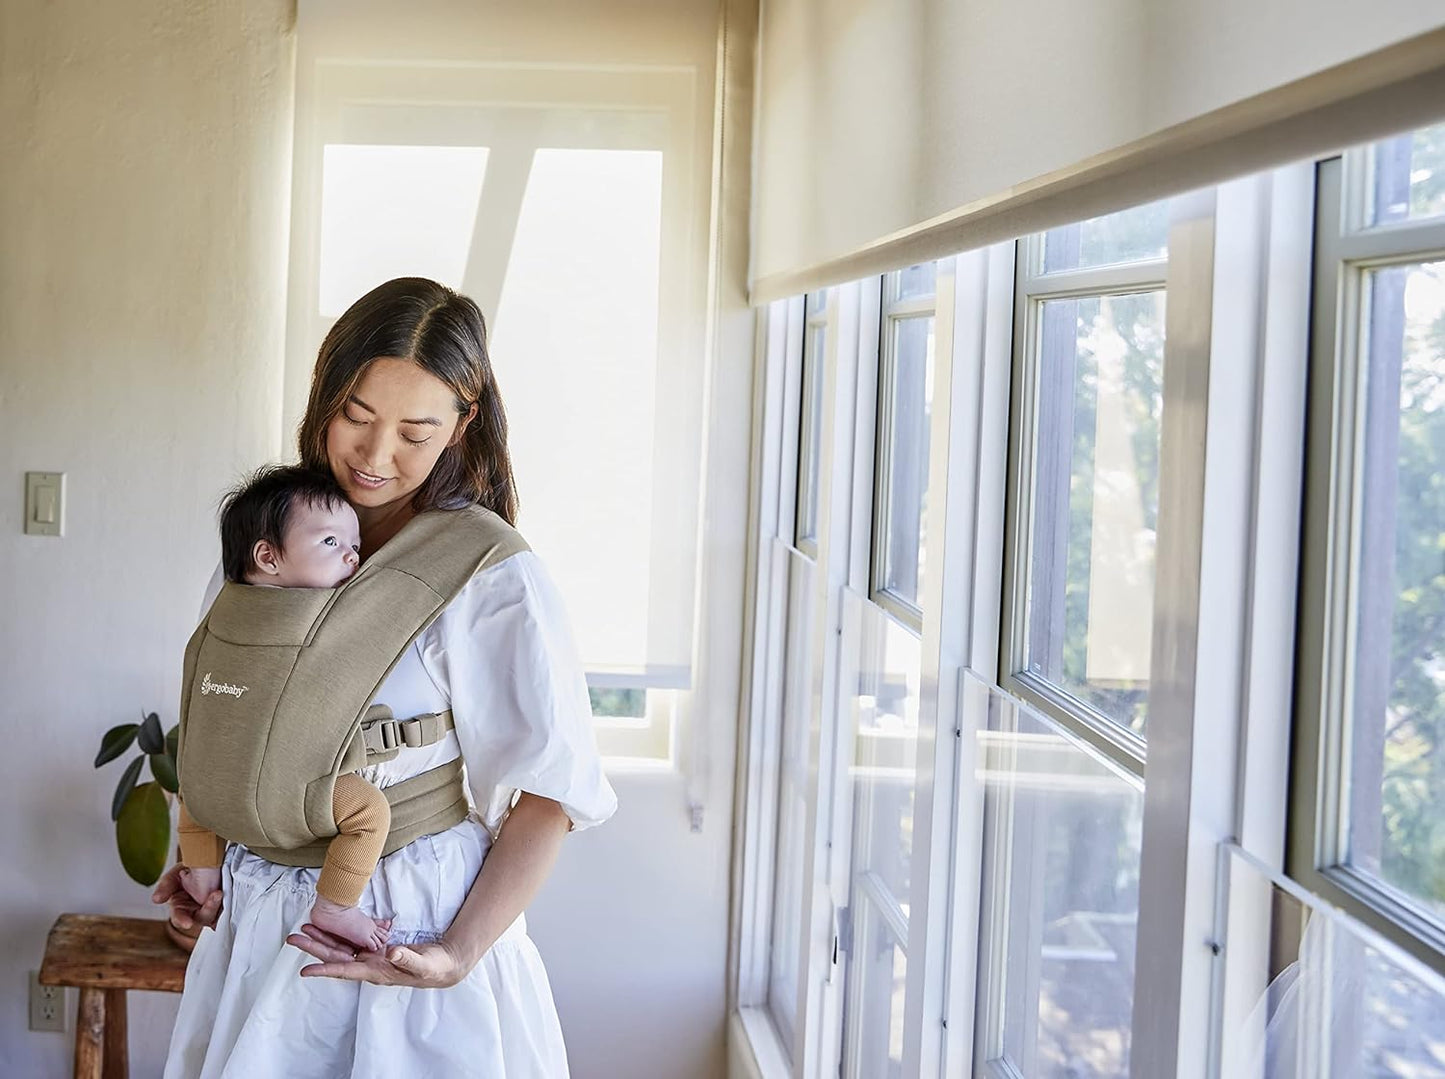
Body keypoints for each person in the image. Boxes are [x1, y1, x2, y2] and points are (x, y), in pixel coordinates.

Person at [153, 277, 618, 1078]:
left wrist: (455, 954)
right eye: (357, 416)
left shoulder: (490, 577)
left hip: (405, 929)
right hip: (263, 929)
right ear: (322, 396)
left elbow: (551, 792)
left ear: (462, 425)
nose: (374, 456)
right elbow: (231, 722)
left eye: (414, 429)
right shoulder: (269, 545)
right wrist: (208, 867)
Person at [174, 464, 397, 954]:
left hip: (213, 779)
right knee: (368, 810)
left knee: (193, 788)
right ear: (268, 557)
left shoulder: (220, 619)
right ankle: (336, 905)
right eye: (331, 543)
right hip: (290, 788)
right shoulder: (321, 621)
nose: (353, 556)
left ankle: (203, 873)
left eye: (355, 545)